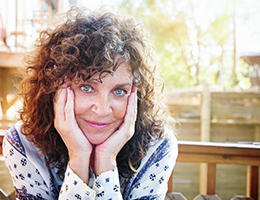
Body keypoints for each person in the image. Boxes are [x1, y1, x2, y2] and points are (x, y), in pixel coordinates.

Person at [3, 6, 178, 200]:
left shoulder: (157, 147)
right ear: (54, 86)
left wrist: (106, 161)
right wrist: (78, 157)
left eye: (119, 91)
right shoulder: (24, 144)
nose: (102, 110)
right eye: (87, 87)